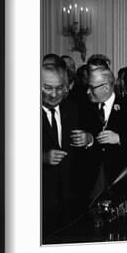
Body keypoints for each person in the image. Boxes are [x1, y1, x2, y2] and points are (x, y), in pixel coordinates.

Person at [80, 67, 127, 205]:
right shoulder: (84, 108)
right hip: (93, 183)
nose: (87, 91)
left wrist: (119, 138)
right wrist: (89, 140)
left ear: (106, 87)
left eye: (92, 88)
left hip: (122, 179)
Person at [41, 65, 92, 239]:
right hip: (40, 197)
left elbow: (86, 155)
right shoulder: (20, 112)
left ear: (66, 87)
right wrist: (41, 158)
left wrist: (88, 139)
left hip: (70, 197)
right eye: (47, 88)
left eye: (59, 88)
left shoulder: (73, 109)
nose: (54, 94)